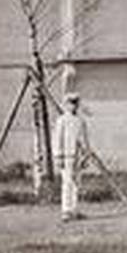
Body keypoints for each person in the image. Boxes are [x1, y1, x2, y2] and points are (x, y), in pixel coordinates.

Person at [52, 92, 90, 221]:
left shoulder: (80, 121)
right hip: (66, 156)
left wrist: (86, 155)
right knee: (67, 182)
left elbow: (84, 139)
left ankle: (74, 210)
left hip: (77, 156)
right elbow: (58, 139)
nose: (73, 106)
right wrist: (58, 156)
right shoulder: (62, 120)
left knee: (76, 183)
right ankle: (66, 210)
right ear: (66, 105)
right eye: (71, 103)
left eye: (75, 103)